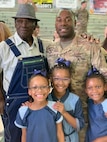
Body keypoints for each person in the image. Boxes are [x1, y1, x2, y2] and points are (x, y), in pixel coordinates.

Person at [46, 9, 107, 142]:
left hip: (82, 112)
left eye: (68, 19)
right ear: (55, 24)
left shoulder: (89, 46)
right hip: (55, 110)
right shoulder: (50, 49)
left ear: (75, 23)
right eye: (59, 20)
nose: (63, 23)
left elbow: (105, 74)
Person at [0, 3, 50, 142]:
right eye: (20, 21)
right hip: (14, 105)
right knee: (15, 138)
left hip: (41, 103)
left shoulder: (44, 46)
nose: (23, 25)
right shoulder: (4, 47)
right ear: (15, 23)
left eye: (28, 21)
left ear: (35, 25)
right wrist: (1, 99)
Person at [15, 70, 64, 142]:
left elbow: (59, 133)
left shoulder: (55, 107)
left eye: (43, 87)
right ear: (29, 91)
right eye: (35, 87)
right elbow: (24, 135)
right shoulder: (23, 111)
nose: (39, 90)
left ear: (48, 89)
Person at [48, 58, 85, 142]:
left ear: (70, 80)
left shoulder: (75, 100)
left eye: (65, 79)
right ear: (51, 79)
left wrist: (64, 112)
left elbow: (79, 126)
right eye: (56, 79)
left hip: (71, 139)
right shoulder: (46, 99)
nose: (61, 83)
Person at [85, 67, 107, 142]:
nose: (94, 91)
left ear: (105, 87)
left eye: (98, 87)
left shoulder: (106, 105)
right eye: (90, 88)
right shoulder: (90, 101)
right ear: (86, 91)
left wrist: (98, 140)